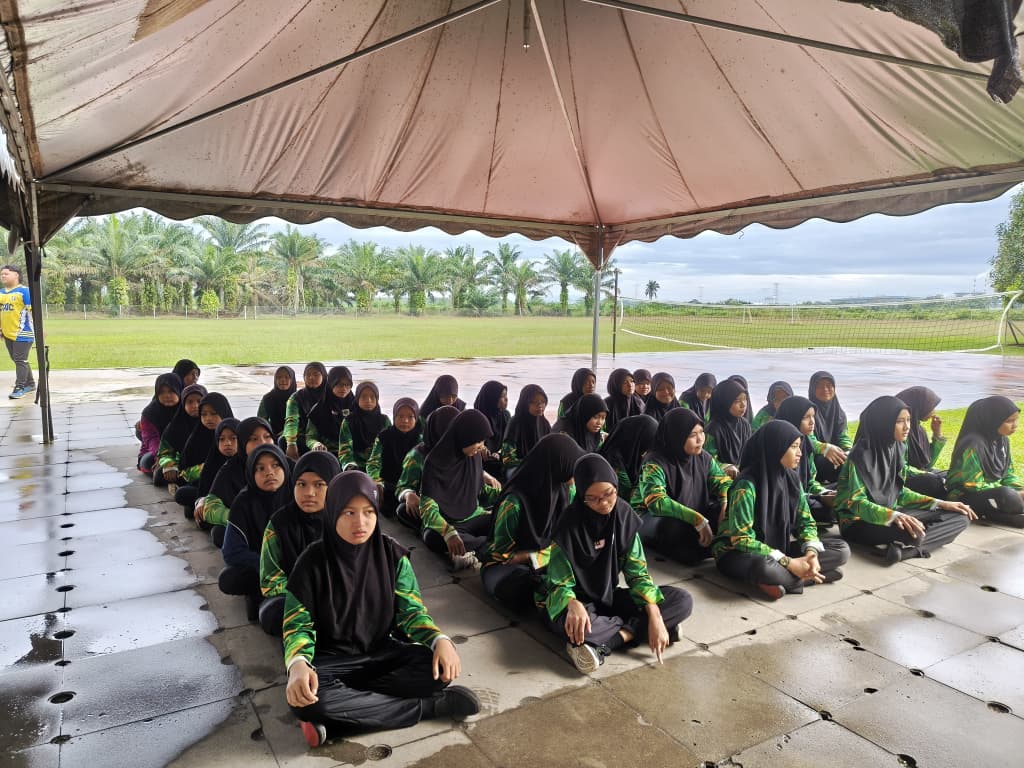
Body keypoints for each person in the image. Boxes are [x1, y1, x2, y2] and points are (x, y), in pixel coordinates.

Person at [283, 471, 480, 748]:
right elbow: (297, 625)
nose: (360, 522)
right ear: (333, 512)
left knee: (435, 669)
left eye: (368, 512)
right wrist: (298, 664)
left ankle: (344, 717)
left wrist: (440, 639)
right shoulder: (311, 563)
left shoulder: (392, 555)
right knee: (307, 701)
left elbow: (412, 612)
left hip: (382, 653)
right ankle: (429, 707)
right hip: (331, 663)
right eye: (349, 513)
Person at [544, 453, 693, 674]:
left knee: (682, 600)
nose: (604, 503)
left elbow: (638, 574)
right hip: (578, 603)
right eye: (593, 499)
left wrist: (654, 613)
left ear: (615, 486)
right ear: (582, 496)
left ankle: (612, 641)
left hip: (609, 597)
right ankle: (642, 629)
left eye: (609, 494)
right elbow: (558, 583)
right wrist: (572, 603)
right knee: (576, 626)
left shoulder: (623, 516)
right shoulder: (567, 526)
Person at [713, 420, 850, 599]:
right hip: (736, 553)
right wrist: (788, 562)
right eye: (794, 447)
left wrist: (811, 553)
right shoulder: (746, 485)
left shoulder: (792, 479)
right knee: (763, 567)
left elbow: (806, 522)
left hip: (777, 548)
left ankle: (783, 579)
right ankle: (804, 578)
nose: (800, 453)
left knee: (841, 549)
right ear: (775, 448)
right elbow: (742, 539)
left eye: (799, 446)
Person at [836, 396, 975, 564]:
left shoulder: (897, 447)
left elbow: (899, 492)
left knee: (961, 516)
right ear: (883, 422)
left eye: (908, 420)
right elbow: (855, 503)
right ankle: (912, 544)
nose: (907, 426)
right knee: (913, 533)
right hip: (858, 523)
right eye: (900, 421)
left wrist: (940, 503)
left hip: (892, 511)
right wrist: (894, 516)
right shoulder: (859, 456)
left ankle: (904, 551)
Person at [481, 434, 584, 612]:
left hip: (548, 559)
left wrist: (535, 556)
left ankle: (554, 595)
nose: (577, 475)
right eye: (572, 467)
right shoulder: (514, 503)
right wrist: (536, 557)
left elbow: (572, 536)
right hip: (506, 567)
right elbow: (503, 555)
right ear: (557, 466)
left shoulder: (567, 490)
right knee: (519, 588)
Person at [260, 451, 343, 636]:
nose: (309, 493)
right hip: (294, 597)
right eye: (301, 484)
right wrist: (306, 596)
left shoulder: (345, 520)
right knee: (272, 613)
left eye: (319, 484)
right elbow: (271, 580)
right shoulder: (279, 524)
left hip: (338, 595)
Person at [637, 409, 732, 564]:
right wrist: (697, 519)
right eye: (692, 435)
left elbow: (723, 482)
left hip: (691, 514)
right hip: (654, 519)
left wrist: (725, 502)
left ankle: (709, 544)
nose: (700, 439)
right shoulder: (654, 462)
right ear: (677, 436)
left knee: (729, 508)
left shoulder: (703, 457)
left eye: (701, 432)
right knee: (674, 528)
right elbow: (656, 502)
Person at [418, 409, 501, 570]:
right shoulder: (434, 462)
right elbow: (427, 508)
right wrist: (448, 532)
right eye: (478, 441)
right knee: (432, 536)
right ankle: (489, 547)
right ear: (464, 436)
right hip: (450, 523)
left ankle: (474, 550)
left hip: (474, 515)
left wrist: (505, 496)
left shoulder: (474, 457)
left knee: (503, 520)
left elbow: (481, 490)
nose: (481, 446)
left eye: (483, 441)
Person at [220, 443, 293, 621]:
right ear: (251, 474)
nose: (269, 473)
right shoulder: (243, 502)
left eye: (275, 465)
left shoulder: (297, 496)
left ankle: (266, 599)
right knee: (229, 579)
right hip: (260, 567)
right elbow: (231, 552)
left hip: (296, 567)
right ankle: (262, 594)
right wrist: (270, 565)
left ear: (285, 467)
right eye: (260, 468)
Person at [946, 395, 1024, 527]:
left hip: (992, 493)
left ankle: (1002, 515)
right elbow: (972, 484)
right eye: (1009, 421)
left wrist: (1020, 489)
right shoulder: (973, 444)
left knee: (1011, 495)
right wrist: (1015, 494)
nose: (1015, 425)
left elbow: (1007, 474)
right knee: (1007, 495)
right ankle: (1005, 514)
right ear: (993, 421)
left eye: (1016, 420)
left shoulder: (1002, 440)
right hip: (964, 495)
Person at [196, 416, 277, 544]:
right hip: (248, 526)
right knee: (220, 533)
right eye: (254, 439)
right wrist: (242, 518)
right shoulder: (231, 469)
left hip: (280, 526)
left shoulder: (286, 465)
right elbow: (210, 507)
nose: (262, 442)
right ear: (243, 442)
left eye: (267, 437)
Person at [396, 405, 460, 531]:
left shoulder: (461, 448)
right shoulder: (417, 455)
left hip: (460, 504)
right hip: (431, 506)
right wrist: (408, 494)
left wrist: (484, 475)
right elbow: (402, 487)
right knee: (403, 510)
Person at [774, 396, 835, 525]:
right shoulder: (779, 446)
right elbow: (784, 490)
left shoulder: (806, 443)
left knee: (842, 491)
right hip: (784, 498)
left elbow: (811, 482)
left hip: (805, 494)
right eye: (806, 417)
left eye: (813, 416)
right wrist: (819, 498)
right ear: (793, 417)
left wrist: (825, 492)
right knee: (826, 510)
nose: (812, 422)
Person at [175, 392, 234, 516]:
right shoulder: (197, 437)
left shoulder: (234, 434)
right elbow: (184, 472)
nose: (208, 418)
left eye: (213, 413)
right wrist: (203, 468)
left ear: (223, 412)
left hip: (231, 487)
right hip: (203, 485)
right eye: (204, 414)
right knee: (182, 493)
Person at [367, 397, 422, 517]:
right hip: (388, 486)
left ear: (416, 418)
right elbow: (373, 463)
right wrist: (377, 482)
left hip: (412, 489)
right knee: (385, 507)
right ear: (394, 416)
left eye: (410, 417)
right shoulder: (384, 437)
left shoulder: (421, 440)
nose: (405, 421)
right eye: (400, 416)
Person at [894, 385, 948, 498]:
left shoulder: (918, 430)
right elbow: (900, 469)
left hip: (918, 474)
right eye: (930, 407)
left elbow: (927, 463)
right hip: (900, 477)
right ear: (918, 406)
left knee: (949, 476)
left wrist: (937, 434)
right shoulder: (899, 432)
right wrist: (928, 475)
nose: (933, 412)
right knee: (934, 483)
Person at [598, 414, 658, 507]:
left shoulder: (631, 455)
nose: (647, 452)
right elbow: (630, 500)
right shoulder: (614, 465)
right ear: (635, 439)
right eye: (646, 443)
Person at [155, 383, 207, 487]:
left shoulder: (211, 423)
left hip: (206, 466)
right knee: (160, 475)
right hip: (184, 466)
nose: (195, 406)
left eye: (199, 401)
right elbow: (165, 452)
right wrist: (169, 464)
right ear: (183, 404)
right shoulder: (175, 426)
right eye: (190, 402)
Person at [808, 371, 851, 484]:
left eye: (829, 385)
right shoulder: (808, 412)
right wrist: (825, 448)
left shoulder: (839, 413)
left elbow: (843, 436)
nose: (825, 389)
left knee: (853, 458)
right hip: (813, 457)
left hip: (835, 455)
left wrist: (848, 451)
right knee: (825, 461)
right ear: (812, 389)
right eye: (820, 386)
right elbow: (808, 439)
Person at [2, 264, 37, 399]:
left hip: (23, 332)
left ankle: (20, 387)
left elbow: (33, 311)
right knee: (18, 359)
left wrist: (40, 329)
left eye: (6, 273)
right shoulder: (1, 292)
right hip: (7, 333)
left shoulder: (24, 291)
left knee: (20, 359)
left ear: (16, 275)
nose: (3, 276)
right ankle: (31, 384)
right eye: (2, 274)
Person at [703, 378, 751, 477]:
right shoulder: (713, 429)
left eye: (745, 399)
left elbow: (750, 453)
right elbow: (706, 460)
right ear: (724, 402)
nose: (743, 405)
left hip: (741, 474)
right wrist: (726, 467)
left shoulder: (745, 425)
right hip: (719, 477)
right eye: (737, 401)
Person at [338, 381, 390, 471]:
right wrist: (349, 465)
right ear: (357, 399)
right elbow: (345, 449)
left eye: (372, 397)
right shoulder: (349, 421)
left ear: (377, 399)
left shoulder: (384, 420)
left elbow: (390, 446)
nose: (368, 400)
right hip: (356, 467)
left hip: (379, 466)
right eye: (364, 397)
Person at [500, 384, 551, 476]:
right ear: (525, 403)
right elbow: (507, 459)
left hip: (539, 465)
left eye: (543, 402)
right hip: (516, 467)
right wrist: (531, 462)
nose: (540, 406)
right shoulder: (515, 423)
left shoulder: (544, 423)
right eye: (534, 402)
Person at [137, 373, 182, 474]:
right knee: (149, 462)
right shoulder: (149, 412)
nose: (167, 396)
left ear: (179, 390)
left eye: (171, 391)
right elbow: (151, 439)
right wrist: (163, 457)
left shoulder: (186, 408)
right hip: (155, 452)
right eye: (162, 392)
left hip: (181, 450)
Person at [306, 366, 355, 455]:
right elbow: (310, 438)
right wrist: (316, 444)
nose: (344, 389)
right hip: (328, 453)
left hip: (354, 453)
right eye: (339, 384)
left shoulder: (357, 406)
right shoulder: (319, 409)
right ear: (331, 383)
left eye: (347, 385)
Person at [284, 362, 328, 459]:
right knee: (283, 441)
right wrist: (291, 443)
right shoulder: (296, 398)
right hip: (304, 437)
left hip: (328, 437)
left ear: (324, 376)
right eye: (308, 375)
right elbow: (291, 421)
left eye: (316, 374)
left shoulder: (330, 396)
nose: (311, 377)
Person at [474, 380, 510, 479]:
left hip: (499, 458)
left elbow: (509, 440)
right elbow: (470, 444)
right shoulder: (476, 417)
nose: (506, 399)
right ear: (492, 399)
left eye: (506, 395)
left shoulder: (505, 415)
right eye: (502, 396)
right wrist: (480, 448)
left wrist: (499, 453)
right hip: (481, 462)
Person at [259, 366, 297, 440]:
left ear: (292, 380)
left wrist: (286, 432)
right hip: (273, 435)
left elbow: (304, 423)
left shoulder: (298, 398)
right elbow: (261, 421)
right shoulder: (268, 398)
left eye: (286, 377)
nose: (282, 380)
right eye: (279, 377)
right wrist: (269, 434)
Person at [604, 368, 645, 433]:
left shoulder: (638, 402)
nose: (630, 385)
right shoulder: (607, 404)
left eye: (632, 381)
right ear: (616, 384)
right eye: (625, 382)